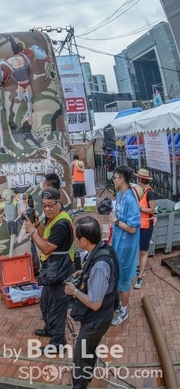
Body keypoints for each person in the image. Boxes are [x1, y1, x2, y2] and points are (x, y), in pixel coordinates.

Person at [65, 217, 119, 389]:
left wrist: (73, 291)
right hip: (102, 316)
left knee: (81, 356)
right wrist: (85, 272)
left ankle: (80, 384)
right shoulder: (104, 249)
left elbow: (95, 304)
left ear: (84, 241)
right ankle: (87, 376)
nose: (75, 240)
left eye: (76, 237)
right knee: (90, 349)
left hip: (96, 318)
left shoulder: (100, 266)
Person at [24, 188, 75, 355]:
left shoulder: (62, 223)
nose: (46, 209)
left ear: (59, 203)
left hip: (60, 271)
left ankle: (58, 343)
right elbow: (46, 235)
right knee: (45, 303)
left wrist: (32, 231)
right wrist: (37, 224)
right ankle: (50, 328)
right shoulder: (53, 219)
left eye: (50, 205)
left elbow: (46, 247)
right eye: (44, 205)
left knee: (57, 308)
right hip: (52, 270)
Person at [108, 166, 140, 326]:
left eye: (114, 178)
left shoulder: (130, 200)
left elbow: (133, 229)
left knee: (124, 279)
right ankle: (119, 304)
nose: (113, 180)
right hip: (118, 242)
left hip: (127, 246)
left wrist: (115, 221)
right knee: (118, 275)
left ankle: (124, 311)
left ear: (122, 180)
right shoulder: (121, 195)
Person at [134, 168, 156, 289]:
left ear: (140, 179)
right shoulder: (139, 191)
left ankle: (140, 277)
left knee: (143, 251)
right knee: (140, 250)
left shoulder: (149, 192)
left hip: (146, 226)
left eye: (137, 178)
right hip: (139, 225)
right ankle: (140, 269)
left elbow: (152, 210)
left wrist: (140, 209)